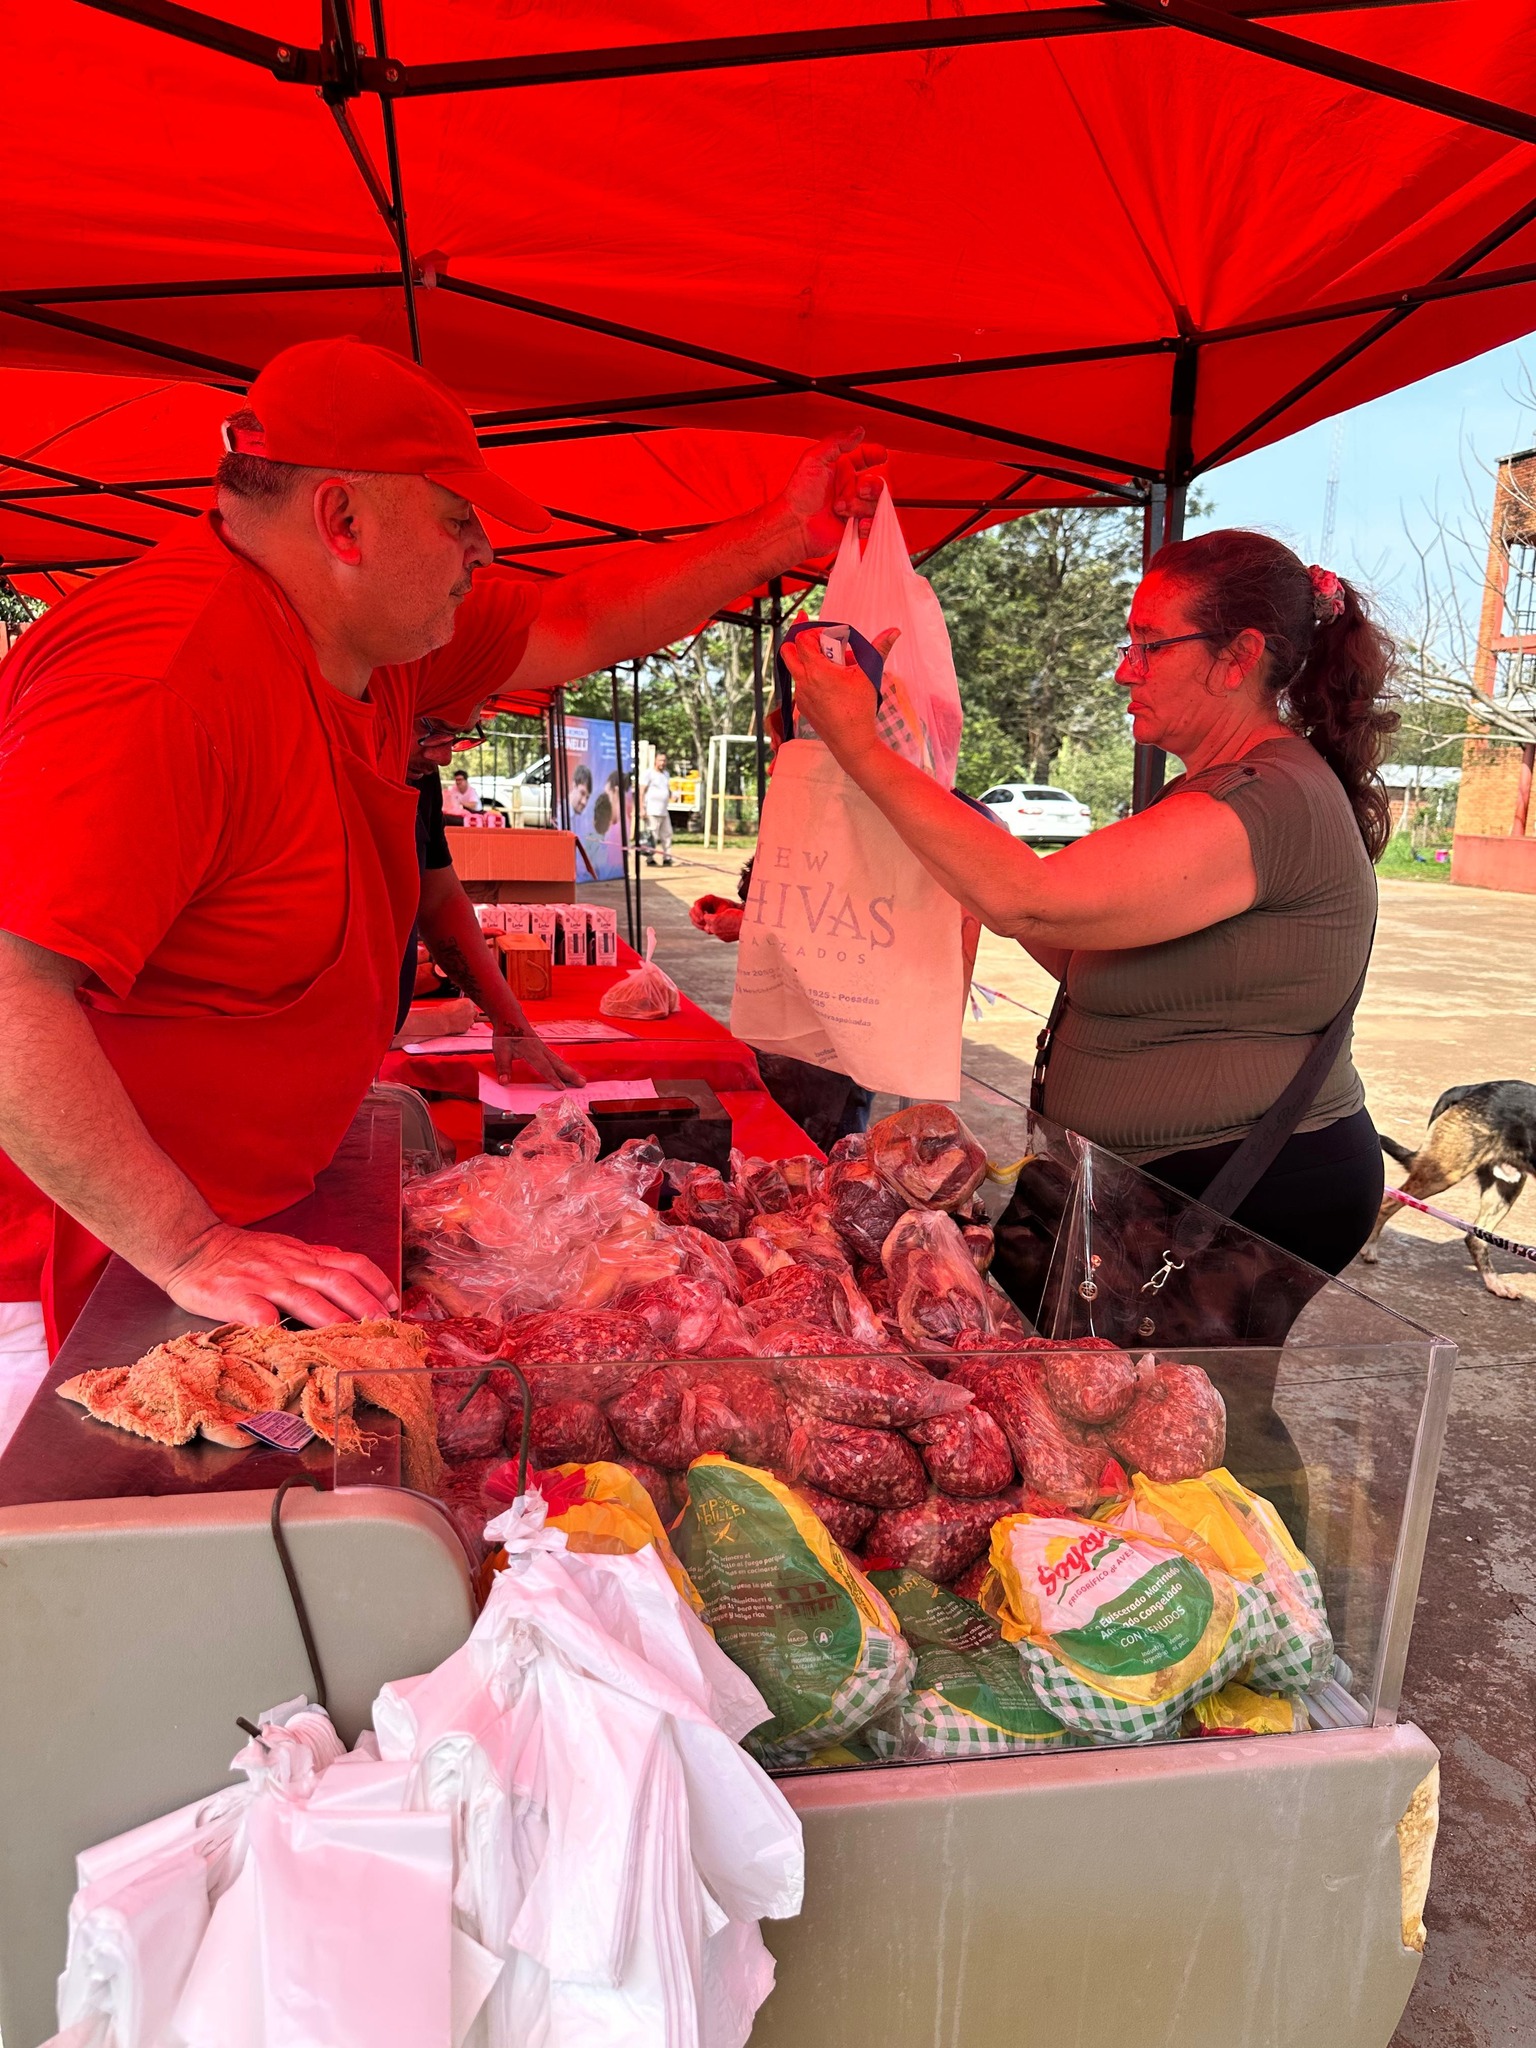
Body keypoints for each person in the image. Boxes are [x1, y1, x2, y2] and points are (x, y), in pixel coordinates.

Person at [0, 333, 885, 1352]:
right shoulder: (165, 678)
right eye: (459, 519)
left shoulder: (375, 643)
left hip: (241, 1230)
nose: (482, 551)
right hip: (87, 1275)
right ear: (343, 520)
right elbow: (14, 987)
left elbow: (584, 615)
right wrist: (185, 1240)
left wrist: (780, 534)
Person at [785, 528, 1398, 1278]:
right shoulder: (1219, 787)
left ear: (1238, 656)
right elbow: (1080, 947)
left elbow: (1031, 901)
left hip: (1230, 1201)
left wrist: (862, 746)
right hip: (1145, 1185)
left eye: (1149, 645)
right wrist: (966, 854)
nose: (1122, 671)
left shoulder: (1268, 799)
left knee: (1162, 1397)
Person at [398, 712, 583, 1088]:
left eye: (457, 736)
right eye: (433, 728)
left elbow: (439, 898)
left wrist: (507, 1017)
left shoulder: (421, 775)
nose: (444, 757)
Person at [641, 752, 674, 866]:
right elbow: (642, 791)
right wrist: (641, 808)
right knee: (652, 836)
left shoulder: (666, 774)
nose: (662, 763)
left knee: (667, 834)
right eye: (660, 760)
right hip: (652, 810)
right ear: (655, 761)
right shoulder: (649, 774)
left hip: (664, 810)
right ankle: (650, 858)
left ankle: (667, 857)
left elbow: (667, 788)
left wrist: (671, 794)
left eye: (664, 760)